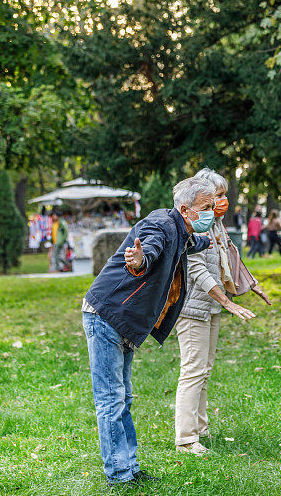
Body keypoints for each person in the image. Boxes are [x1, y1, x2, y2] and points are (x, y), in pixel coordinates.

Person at [80, 176, 214, 488]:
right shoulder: (162, 224)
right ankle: (119, 476)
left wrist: (213, 241)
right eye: (205, 207)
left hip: (123, 320)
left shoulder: (181, 232)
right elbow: (150, 247)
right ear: (185, 209)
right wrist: (140, 260)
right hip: (106, 315)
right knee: (111, 399)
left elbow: (192, 243)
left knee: (123, 398)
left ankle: (129, 469)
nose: (210, 212)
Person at [174, 168, 272, 456]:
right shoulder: (194, 227)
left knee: (204, 370)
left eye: (223, 195)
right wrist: (228, 303)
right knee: (193, 371)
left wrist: (251, 285)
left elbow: (229, 257)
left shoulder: (216, 224)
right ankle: (186, 439)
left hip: (211, 305)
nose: (223, 201)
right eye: (217, 196)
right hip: (193, 307)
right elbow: (196, 270)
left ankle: (200, 429)